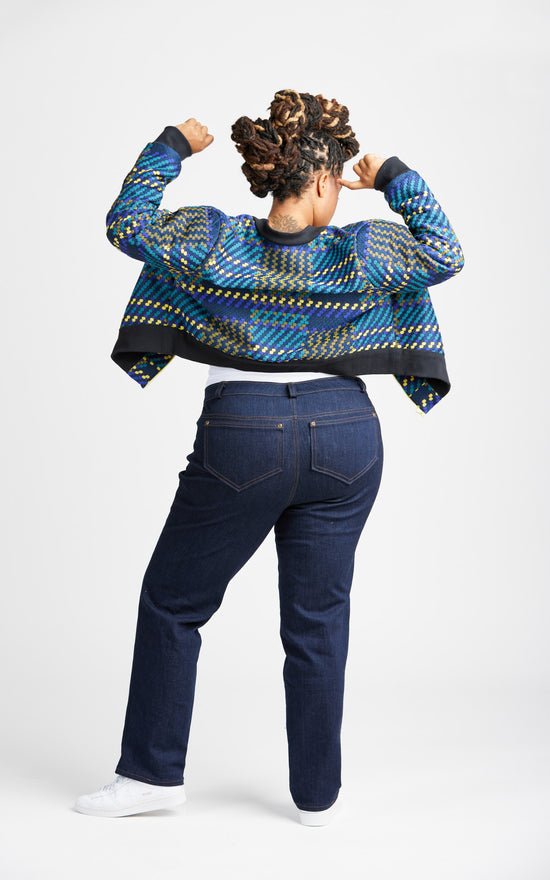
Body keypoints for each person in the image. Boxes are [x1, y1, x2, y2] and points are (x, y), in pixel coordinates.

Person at [74, 89, 463, 825]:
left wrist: (171, 145)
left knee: (174, 603)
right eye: (336, 180)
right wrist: (391, 174)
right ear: (318, 180)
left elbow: (127, 223)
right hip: (347, 433)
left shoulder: (211, 240)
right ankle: (316, 797)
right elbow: (446, 252)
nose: (339, 195)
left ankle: (151, 778)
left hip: (243, 434)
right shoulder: (364, 250)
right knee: (318, 620)